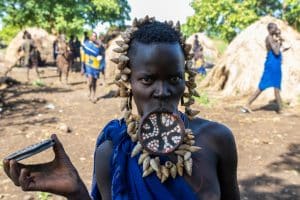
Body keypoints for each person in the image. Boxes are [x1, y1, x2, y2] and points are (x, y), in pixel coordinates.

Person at [3, 18, 240, 200]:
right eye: (147, 80)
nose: (162, 91)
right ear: (129, 83)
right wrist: (76, 191)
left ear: (186, 81)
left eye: (174, 78)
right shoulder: (113, 152)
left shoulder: (217, 140)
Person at [242, 23, 287, 113]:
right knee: (265, 85)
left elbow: (279, 47)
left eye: (276, 28)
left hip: (275, 64)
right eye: (274, 28)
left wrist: (279, 40)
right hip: (272, 64)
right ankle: (280, 109)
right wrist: (278, 42)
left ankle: (280, 108)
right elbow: (277, 52)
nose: (276, 29)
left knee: (275, 85)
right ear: (270, 29)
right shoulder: (269, 38)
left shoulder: (273, 38)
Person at [81, 32, 103, 102]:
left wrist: (101, 64)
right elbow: (83, 55)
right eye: (93, 36)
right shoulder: (87, 45)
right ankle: (90, 92)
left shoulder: (98, 46)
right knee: (90, 81)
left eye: (95, 36)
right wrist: (82, 67)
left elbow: (101, 55)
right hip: (88, 65)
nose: (94, 37)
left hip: (96, 66)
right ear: (90, 37)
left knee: (94, 82)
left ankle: (94, 95)